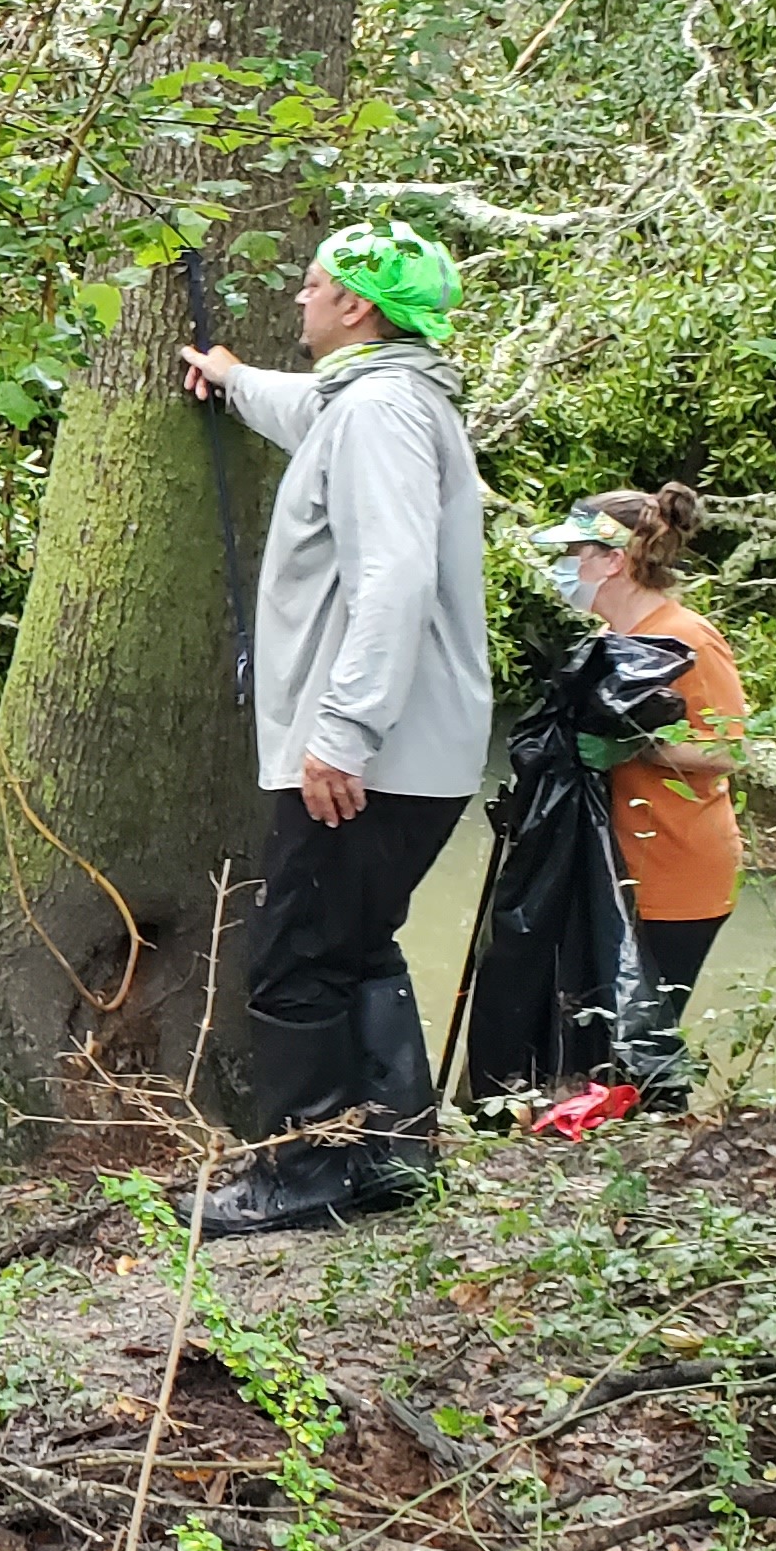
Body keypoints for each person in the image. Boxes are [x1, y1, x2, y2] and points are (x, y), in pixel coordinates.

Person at [172, 219, 491, 1236]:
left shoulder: (383, 414)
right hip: (415, 753)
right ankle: (391, 1155)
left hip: (375, 756)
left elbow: (393, 578)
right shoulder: (381, 400)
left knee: (297, 958)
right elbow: (302, 404)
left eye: (313, 287)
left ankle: (300, 1174)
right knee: (356, 945)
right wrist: (227, 375)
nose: (300, 301)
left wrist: (343, 734)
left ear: (357, 307)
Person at [534, 485, 745, 1076]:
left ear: (613, 561)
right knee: (597, 1036)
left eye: (574, 552)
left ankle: (653, 1141)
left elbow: (730, 748)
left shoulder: (688, 638)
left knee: (645, 1039)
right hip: (618, 867)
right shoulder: (608, 641)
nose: (562, 566)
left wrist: (640, 747)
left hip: (680, 874)